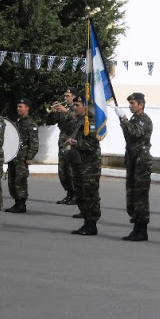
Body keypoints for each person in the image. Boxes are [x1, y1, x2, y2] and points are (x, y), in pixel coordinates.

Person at [115, 93, 153, 241]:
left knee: (140, 197)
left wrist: (124, 119)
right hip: (133, 161)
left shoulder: (144, 120)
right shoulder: (135, 119)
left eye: (133, 103)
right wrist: (124, 121)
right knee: (131, 195)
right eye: (130, 103)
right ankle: (136, 227)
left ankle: (142, 230)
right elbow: (128, 136)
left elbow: (135, 133)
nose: (131, 106)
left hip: (141, 163)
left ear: (141, 105)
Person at [67, 95, 102, 236]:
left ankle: (91, 224)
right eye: (73, 105)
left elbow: (93, 143)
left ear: (85, 106)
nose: (74, 108)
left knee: (90, 194)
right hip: (78, 162)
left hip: (89, 164)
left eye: (77, 105)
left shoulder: (91, 120)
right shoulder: (78, 120)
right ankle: (86, 221)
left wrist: (77, 144)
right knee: (80, 194)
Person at [5, 98, 39, 214]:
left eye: (21, 107)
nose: (18, 108)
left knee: (20, 180)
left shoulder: (31, 123)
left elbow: (34, 142)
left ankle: (21, 204)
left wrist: (30, 157)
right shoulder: (17, 122)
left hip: (22, 157)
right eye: (17, 106)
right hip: (13, 156)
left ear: (27, 108)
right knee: (12, 180)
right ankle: (16, 202)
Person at [45, 88, 77, 205]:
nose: (65, 98)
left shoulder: (77, 107)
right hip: (62, 141)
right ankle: (69, 193)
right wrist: (52, 112)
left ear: (73, 96)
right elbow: (50, 122)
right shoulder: (62, 108)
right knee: (62, 170)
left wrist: (66, 112)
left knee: (71, 169)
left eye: (68, 96)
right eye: (64, 96)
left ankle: (76, 195)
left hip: (73, 141)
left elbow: (78, 120)